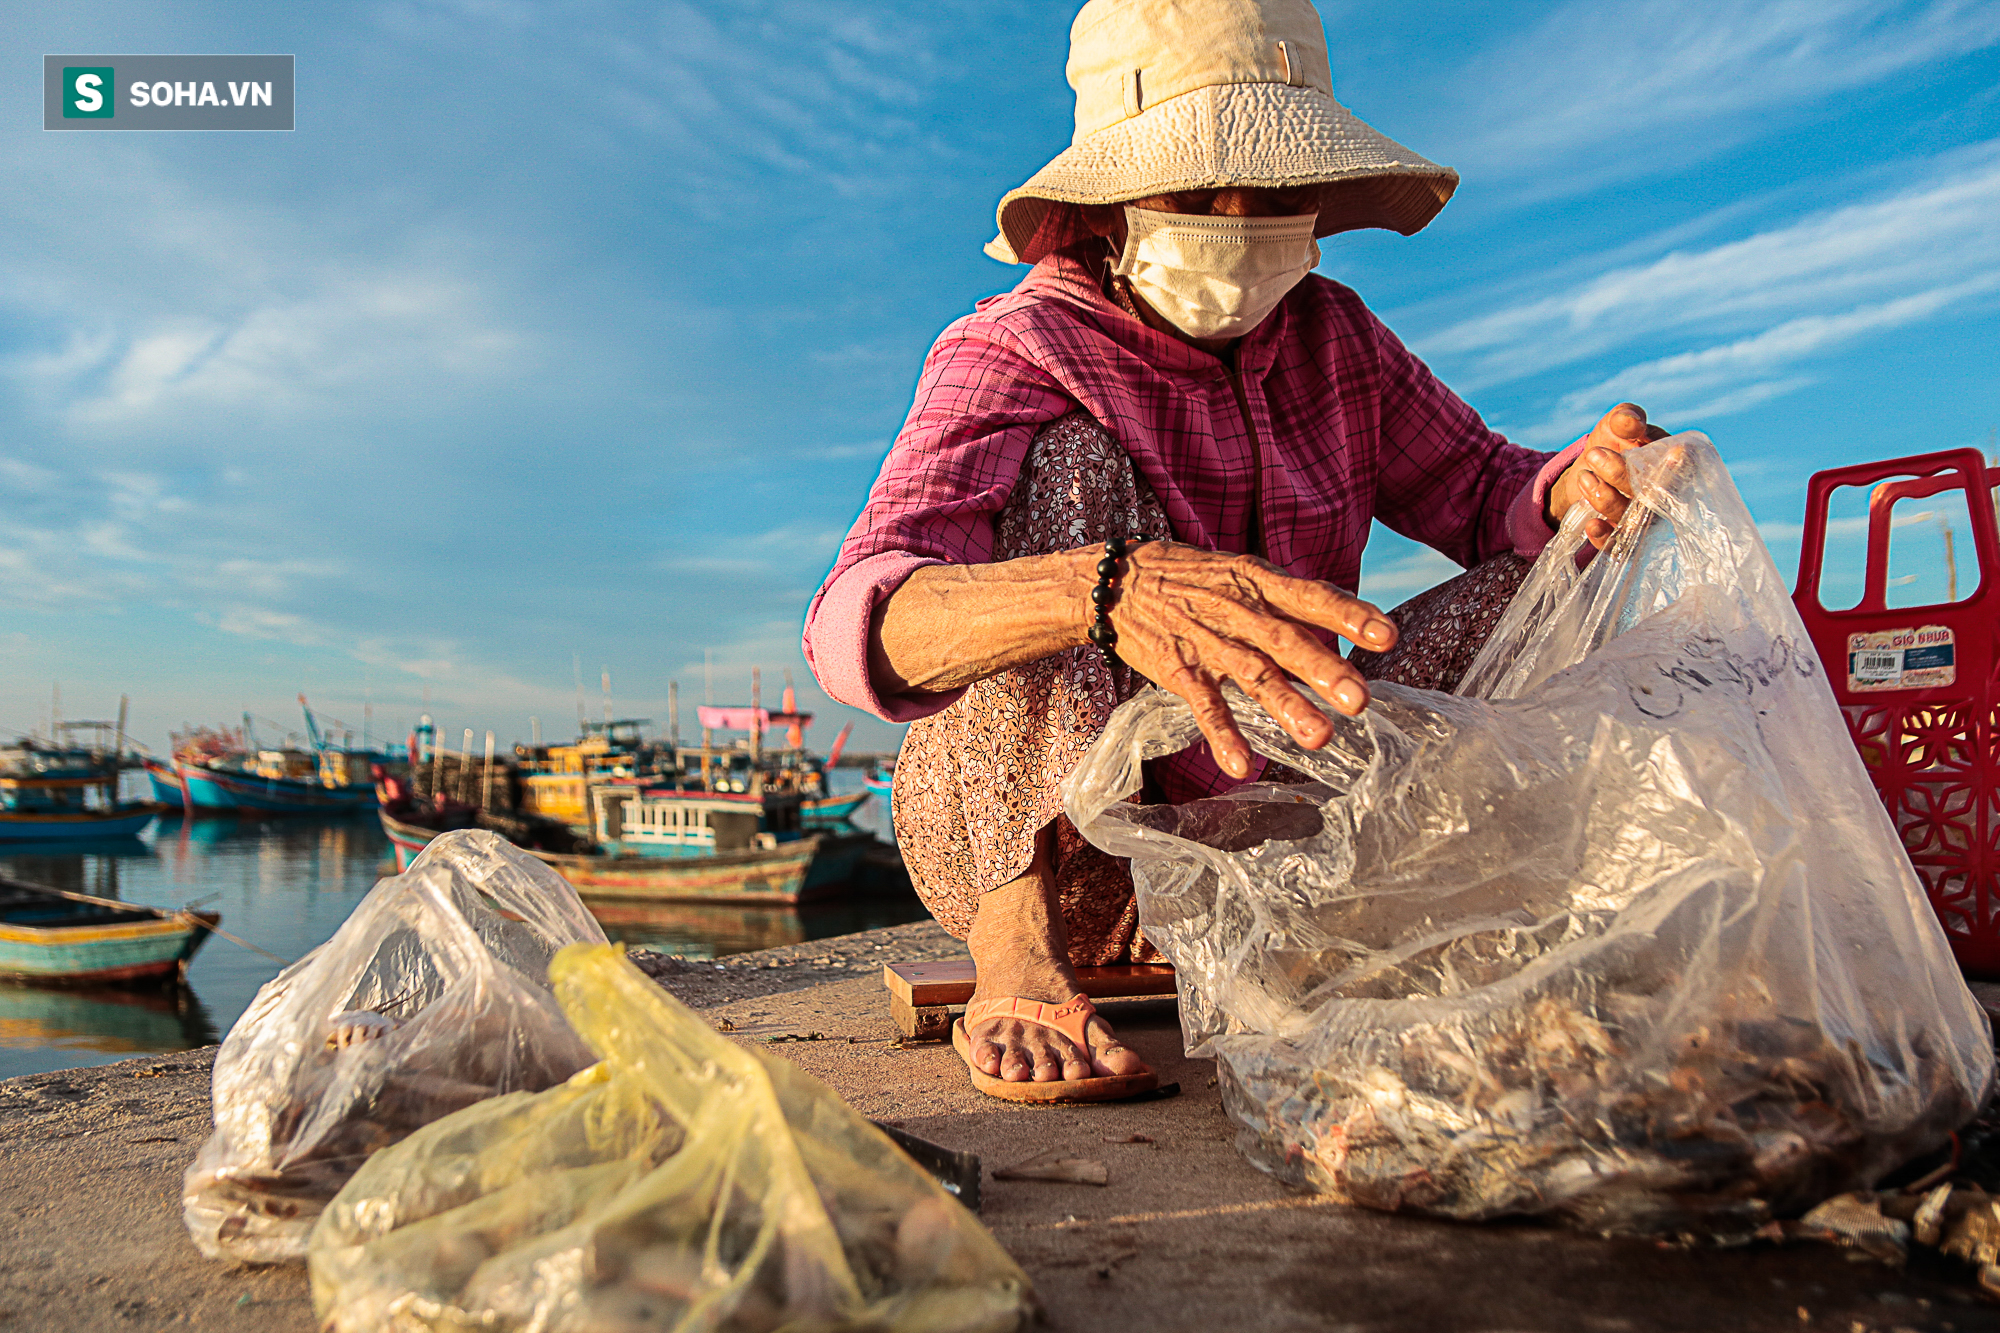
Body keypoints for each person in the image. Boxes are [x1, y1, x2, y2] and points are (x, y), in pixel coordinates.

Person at [804, 0, 1664, 1101]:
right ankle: (1015, 953)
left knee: (1547, 584)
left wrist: (1573, 492)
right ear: (1111, 201)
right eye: (1196, 190)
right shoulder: (1016, 347)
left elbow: (1481, 485)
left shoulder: (1334, 337)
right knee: (1069, 468)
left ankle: (1352, 912)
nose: (1237, 217)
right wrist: (1108, 591)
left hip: (1278, 811)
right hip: (1059, 850)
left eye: (1271, 194)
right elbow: (857, 625)